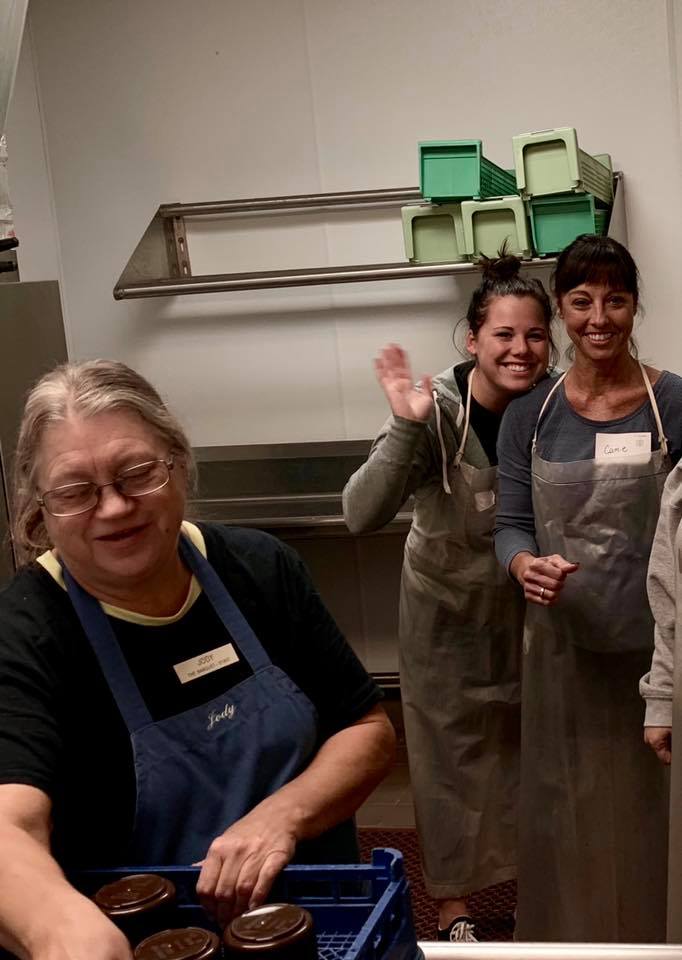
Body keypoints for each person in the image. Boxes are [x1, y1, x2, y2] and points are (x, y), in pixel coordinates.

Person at [0, 359, 396, 960]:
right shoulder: (25, 632)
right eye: (76, 491)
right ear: (42, 508)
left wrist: (281, 817)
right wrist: (61, 930)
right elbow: (10, 824)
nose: (115, 507)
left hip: (317, 924)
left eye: (136, 473)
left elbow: (365, 729)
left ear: (178, 463)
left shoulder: (259, 568)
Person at [342, 254, 555, 942]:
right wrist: (405, 426)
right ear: (472, 340)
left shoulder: (554, 404)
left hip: (526, 606)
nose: (520, 350)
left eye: (535, 335)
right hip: (444, 615)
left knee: (532, 753)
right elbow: (359, 513)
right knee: (446, 760)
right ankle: (454, 906)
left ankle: (533, 894)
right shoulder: (433, 408)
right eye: (503, 335)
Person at [494, 234, 682, 942]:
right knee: (567, 810)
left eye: (616, 300)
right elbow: (510, 526)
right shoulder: (530, 415)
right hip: (563, 654)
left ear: (635, 306)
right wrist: (524, 565)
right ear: (561, 310)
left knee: (657, 809)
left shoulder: (674, 403)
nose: (599, 318)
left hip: (659, 653)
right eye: (581, 301)